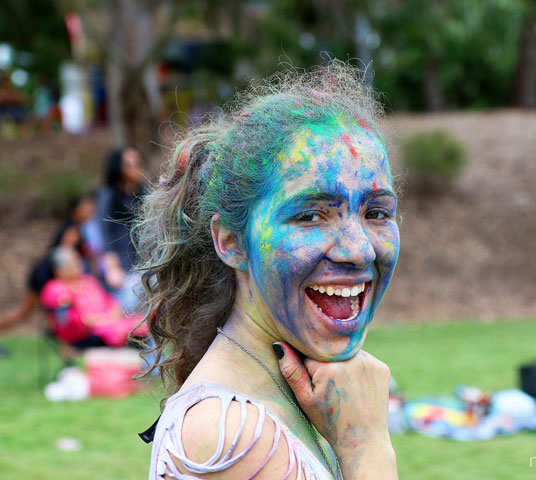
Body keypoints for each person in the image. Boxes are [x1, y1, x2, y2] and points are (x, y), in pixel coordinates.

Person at [137, 63, 400, 479]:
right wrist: (365, 446)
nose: (359, 249)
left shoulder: (286, 395)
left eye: (377, 212)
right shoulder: (230, 436)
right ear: (231, 242)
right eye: (311, 215)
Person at [0, 193, 98, 333]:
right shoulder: (72, 230)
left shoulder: (80, 228)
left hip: (47, 271)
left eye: (92, 204)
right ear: (75, 209)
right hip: (45, 273)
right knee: (24, 311)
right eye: (86, 205)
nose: (91, 208)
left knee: (24, 312)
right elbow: (64, 258)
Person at [39, 247, 148, 349]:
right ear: (59, 270)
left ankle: (148, 364)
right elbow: (67, 319)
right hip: (86, 334)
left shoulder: (88, 280)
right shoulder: (54, 289)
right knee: (122, 331)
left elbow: (108, 299)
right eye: (73, 262)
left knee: (143, 323)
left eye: (77, 260)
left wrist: (113, 310)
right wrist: (96, 320)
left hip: (109, 322)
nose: (78, 263)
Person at [95, 146, 146, 312]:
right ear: (119, 167)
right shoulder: (108, 194)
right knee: (128, 305)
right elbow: (103, 228)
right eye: (130, 164)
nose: (136, 168)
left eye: (138, 163)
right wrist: (111, 263)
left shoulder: (144, 193)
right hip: (119, 260)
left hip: (143, 259)